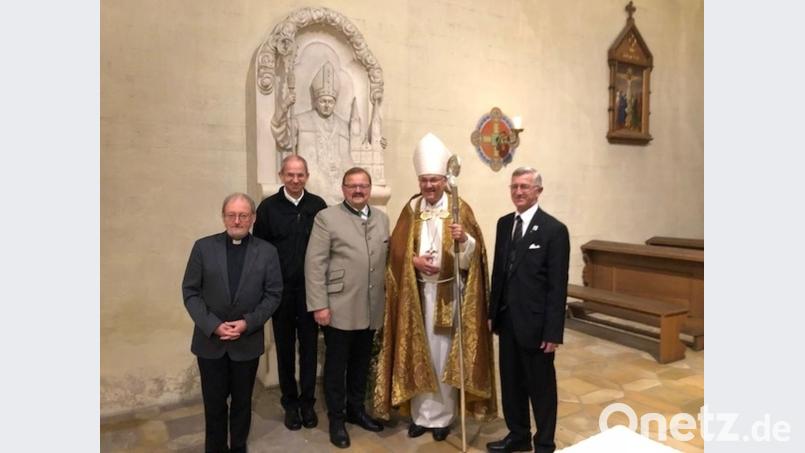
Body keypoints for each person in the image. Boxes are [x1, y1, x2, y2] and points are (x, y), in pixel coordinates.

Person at [372, 133, 497, 441]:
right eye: (424, 180)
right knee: (419, 353)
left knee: (443, 357)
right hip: (416, 296)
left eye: (434, 180)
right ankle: (420, 417)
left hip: (448, 295)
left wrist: (463, 240)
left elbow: (474, 259)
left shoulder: (460, 209)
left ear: (444, 181)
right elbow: (395, 251)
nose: (429, 186)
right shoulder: (411, 208)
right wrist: (413, 261)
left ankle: (442, 419)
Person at [182, 192, 283, 453]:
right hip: (210, 342)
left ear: (253, 218)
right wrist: (213, 325)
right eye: (231, 215)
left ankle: (238, 446)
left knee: (242, 403)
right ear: (223, 217)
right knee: (214, 404)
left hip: (246, 341)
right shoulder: (203, 247)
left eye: (243, 215)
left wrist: (248, 323)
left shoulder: (267, 252)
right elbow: (190, 292)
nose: (237, 221)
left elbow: (273, 295)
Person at [304, 167, 390, 448]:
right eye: (352, 185)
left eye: (363, 185)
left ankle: (356, 409)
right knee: (336, 366)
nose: (358, 190)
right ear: (343, 189)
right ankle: (337, 418)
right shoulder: (326, 218)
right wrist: (319, 305)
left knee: (361, 363)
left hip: (371, 306)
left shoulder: (382, 219)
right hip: (339, 306)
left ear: (370, 189)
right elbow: (314, 265)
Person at [486, 167, 570, 453]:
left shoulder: (554, 230)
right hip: (507, 319)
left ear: (538, 191)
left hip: (536, 325)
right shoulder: (504, 224)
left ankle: (544, 443)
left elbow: (557, 286)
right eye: (514, 187)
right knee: (511, 384)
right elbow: (499, 273)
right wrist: (492, 313)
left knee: (541, 388)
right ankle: (518, 435)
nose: (518, 192)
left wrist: (553, 332)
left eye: (524, 186)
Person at [253, 155, 327, 431]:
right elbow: (259, 252)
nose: (295, 180)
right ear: (281, 175)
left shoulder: (317, 206)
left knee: (309, 349)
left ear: (307, 176)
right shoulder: (268, 208)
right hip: (280, 293)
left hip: (310, 292)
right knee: (284, 350)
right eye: (290, 174)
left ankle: (308, 402)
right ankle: (290, 404)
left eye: (300, 175)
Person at [272, 61, 354, 205]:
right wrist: (284, 106)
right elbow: (283, 139)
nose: (327, 105)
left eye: (330, 102)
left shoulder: (343, 126)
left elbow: (348, 157)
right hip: (312, 188)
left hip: (339, 191)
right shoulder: (301, 120)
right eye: (323, 101)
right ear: (315, 101)